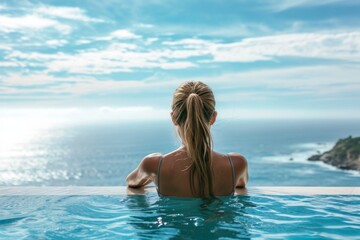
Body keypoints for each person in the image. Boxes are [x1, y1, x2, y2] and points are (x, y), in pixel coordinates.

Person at [126, 81, 248, 197]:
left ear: (173, 118)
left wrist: (155, 175)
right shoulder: (236, 164)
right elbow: (241, 183)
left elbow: (131, 181)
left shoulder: (154, 164)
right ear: (213, 117)